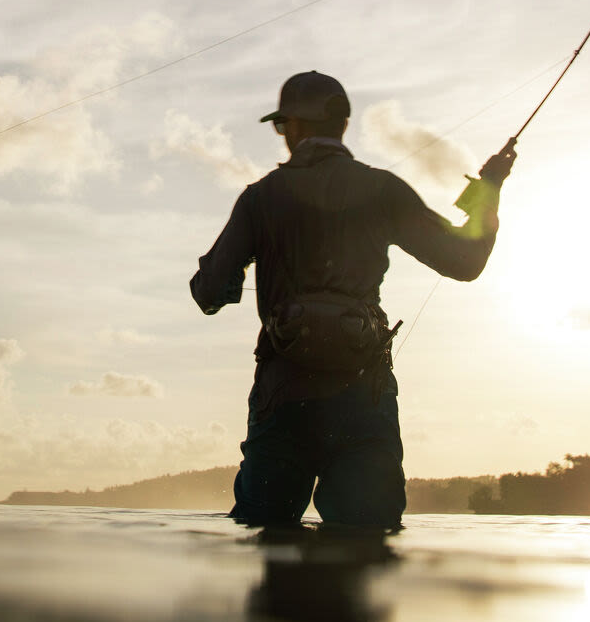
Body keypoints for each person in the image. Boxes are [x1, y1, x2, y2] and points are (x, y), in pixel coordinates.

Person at [191, 70, 513, 529]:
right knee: (367, 541)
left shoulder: (259, 198)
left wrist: (232, 267)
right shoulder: (383, 189)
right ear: (341, 125)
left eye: (282, 126)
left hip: (282, 394)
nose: (283, 135)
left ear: (296, 128)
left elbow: (207, 295)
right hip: (364, 391)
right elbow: (465, 262)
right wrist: (490, 189)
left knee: (261, 535)